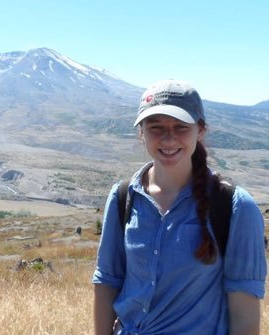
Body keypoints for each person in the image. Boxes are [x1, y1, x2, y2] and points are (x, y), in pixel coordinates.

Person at [92, 79, 267, 335]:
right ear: (141, 133)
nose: (168, 137)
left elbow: (245, 315)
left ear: (201, 131)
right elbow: (107, 282)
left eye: (180, 127)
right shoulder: (122, 197)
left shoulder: (234, 206)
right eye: (156, 127)